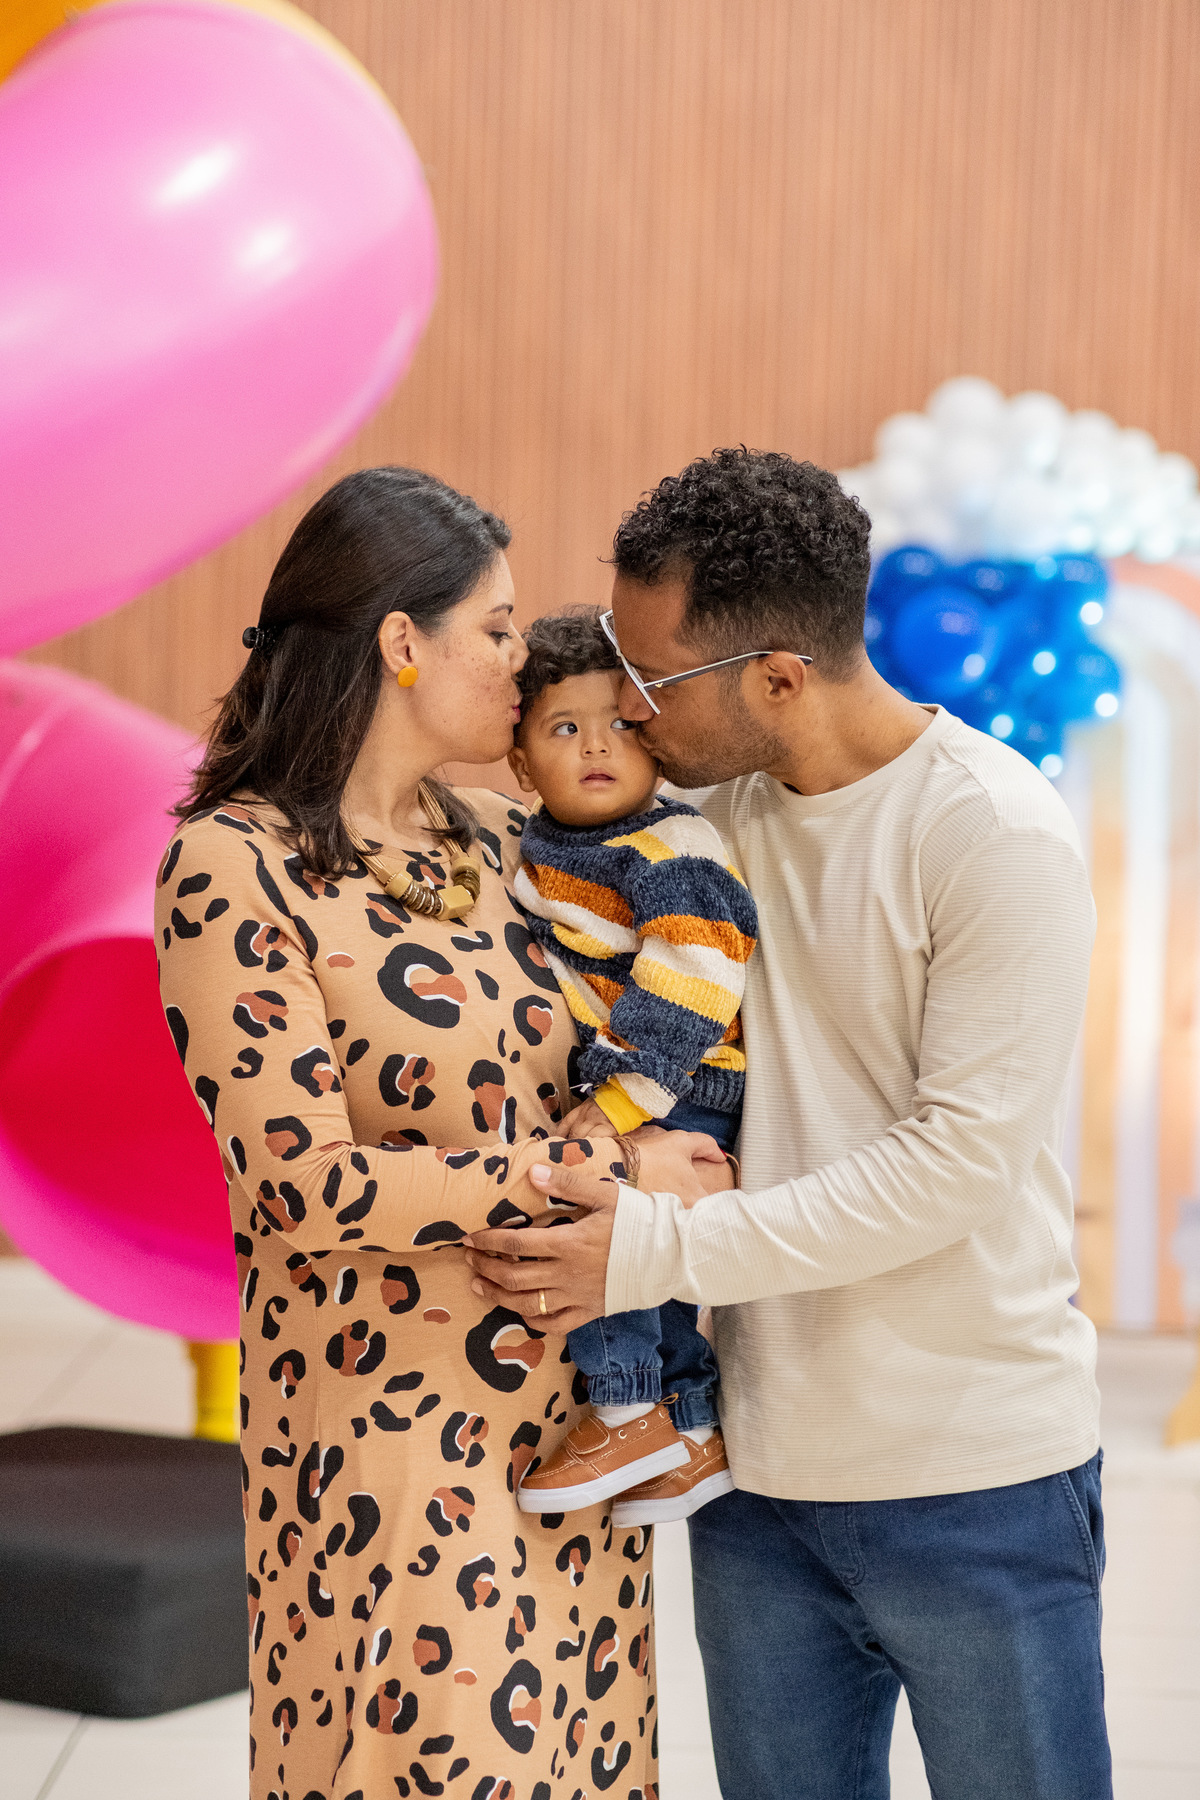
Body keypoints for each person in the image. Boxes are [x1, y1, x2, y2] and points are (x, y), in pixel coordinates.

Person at [463, 448, 1112, 1800]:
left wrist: (647, 1254)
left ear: (775, 677)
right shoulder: (700, 826)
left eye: (649, 682)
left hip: (973, 1477)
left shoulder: (993, 834)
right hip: (750, 1476)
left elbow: (952, 1170)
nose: (626, 714)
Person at [155, 465, 730, 1800]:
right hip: (387, 1449)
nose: (523, 660)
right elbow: (304, 1185)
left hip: (574, 1426)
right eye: (497, 627)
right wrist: (598, 1167)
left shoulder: (506, 842)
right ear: (399, 645)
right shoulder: (230, 868)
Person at [504, 609, 758, 1525]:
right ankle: (690, 1432)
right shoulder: (536, 842)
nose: (597, 746)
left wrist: (621, 1104)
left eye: (620, 724)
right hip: (639, 1083)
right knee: (654, 1262)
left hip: (677, 1079)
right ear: (522, 759)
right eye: (565, 729)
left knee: (606, 1225)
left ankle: (621, 1404)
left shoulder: (672, 845)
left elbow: (694, 976)